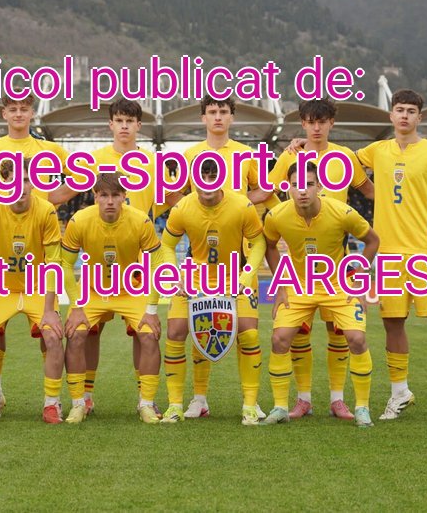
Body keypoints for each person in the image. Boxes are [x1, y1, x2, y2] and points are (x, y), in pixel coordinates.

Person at [49, 98, 180, 417]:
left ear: (139, 126)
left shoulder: (153, 163)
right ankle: (85, 397)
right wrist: (21, 200)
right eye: (119, 120)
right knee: (88, 331)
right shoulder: (94, 160)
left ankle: (145, 400)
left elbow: (175, 199)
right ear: (110, 124)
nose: (124, 126)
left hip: (137, 265)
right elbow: (62, 194)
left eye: (129, 121)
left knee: (143, 332)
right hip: (99, 267)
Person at [356, 89, 427, 424]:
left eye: (411, 111)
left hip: (425, 252)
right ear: (391, 115)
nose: (404, 115)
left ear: (420, 117)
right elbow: (339, 162)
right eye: (399, 109)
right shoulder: (376, 150)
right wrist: (302, 146)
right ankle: (400, 392)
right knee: (392, 323)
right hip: (388, 254)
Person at [271, 98, 374, 420]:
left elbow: (371, 192)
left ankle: (337, 400)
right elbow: (268, 194)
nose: (316, 128)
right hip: (300, 260)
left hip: (336, 260)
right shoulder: (290, 156)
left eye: (322, 121)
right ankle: (302, 400)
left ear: (332, 123)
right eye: (310, 122)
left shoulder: (345, 157)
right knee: (297, 332)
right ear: (302, 123)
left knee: (338, 332)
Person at [0, 94, 71, 415]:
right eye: (12, 109)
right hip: (0, 248)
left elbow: (82, 175)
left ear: (32, 113)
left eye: (24, 109)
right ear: (4, 113)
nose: (18, 114)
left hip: (37, 248)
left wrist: (53, 199)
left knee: (51, 333)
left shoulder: (49, 150)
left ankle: (52, 403)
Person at [177, 95, 274, 419]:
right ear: (203, 118)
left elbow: (265, 190)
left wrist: (239, 201)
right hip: (202, 259)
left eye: (223, 112)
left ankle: (251, 401)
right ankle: (199, 399)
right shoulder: (190, 155)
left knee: (247, 331)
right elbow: (178, 196)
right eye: (211, 112)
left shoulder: (246, 154)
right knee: (201, 326)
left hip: (240, 258)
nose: (217, 117)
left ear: (232, 117)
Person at [159, 159, 266, 425]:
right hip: (196, 278)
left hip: (235, 277)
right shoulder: (182, 208)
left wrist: (246, 275)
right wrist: (175, 274)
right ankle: (179, 404)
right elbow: (167, 245)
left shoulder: (242, 205)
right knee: (176, 331)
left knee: (249, 333)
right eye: (202, 175)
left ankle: (250, 404)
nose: (207, 180)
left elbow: (258, 242)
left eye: (213, 175)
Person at [60, 174, 170, 424]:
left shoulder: (140, 221)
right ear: (95, 197)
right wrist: (76, 306)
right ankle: (80, 402)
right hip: (92, 289)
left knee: (149, 334)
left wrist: (152, 310)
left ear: (124, 197)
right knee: (76, 334)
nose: (110, 201)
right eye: (104, 195)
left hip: (131, 289)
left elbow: (158, 263)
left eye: (115, 195)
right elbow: (65, 264)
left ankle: (146, 403)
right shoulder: (79, 221)